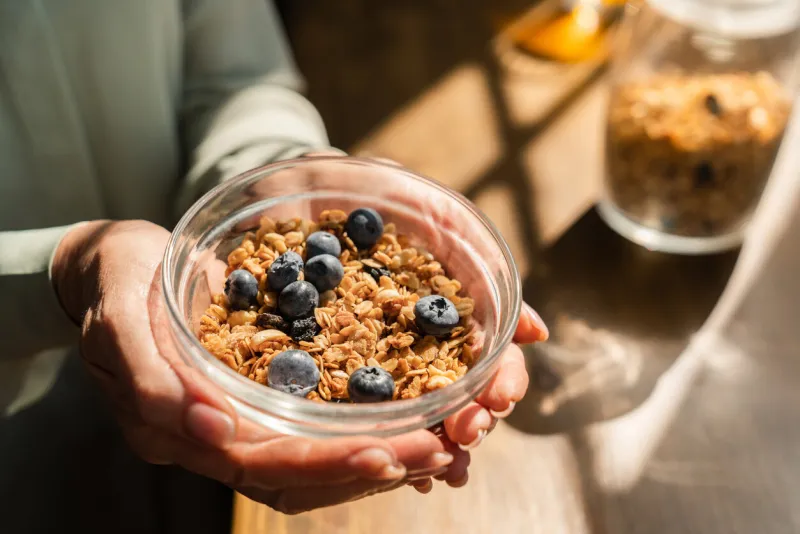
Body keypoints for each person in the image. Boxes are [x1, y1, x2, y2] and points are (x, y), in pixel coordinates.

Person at [0, 1, 549, 532]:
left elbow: (234, 76)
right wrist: (62, 267)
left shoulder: (346, 286)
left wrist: (269, 164)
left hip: (195, 333)